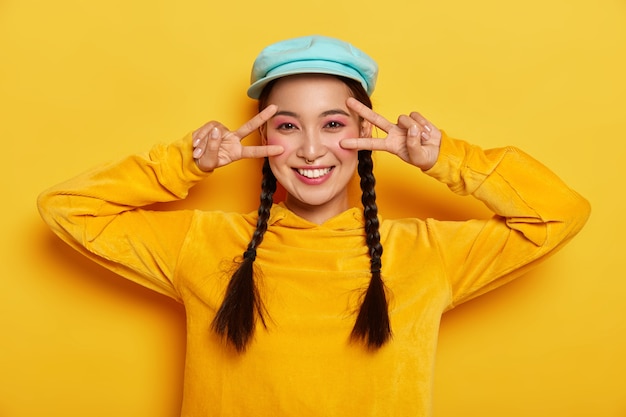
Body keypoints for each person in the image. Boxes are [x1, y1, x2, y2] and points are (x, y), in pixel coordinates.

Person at [38, 35, 590, 416]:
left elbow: (559, 213)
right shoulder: (201, 246)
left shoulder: (426, 253)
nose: (309, 149)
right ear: (261, 137)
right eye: (286, 125)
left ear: (368, 132)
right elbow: (66, 208)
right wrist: (186, 162)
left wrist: (446, 159)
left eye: (333, 124)